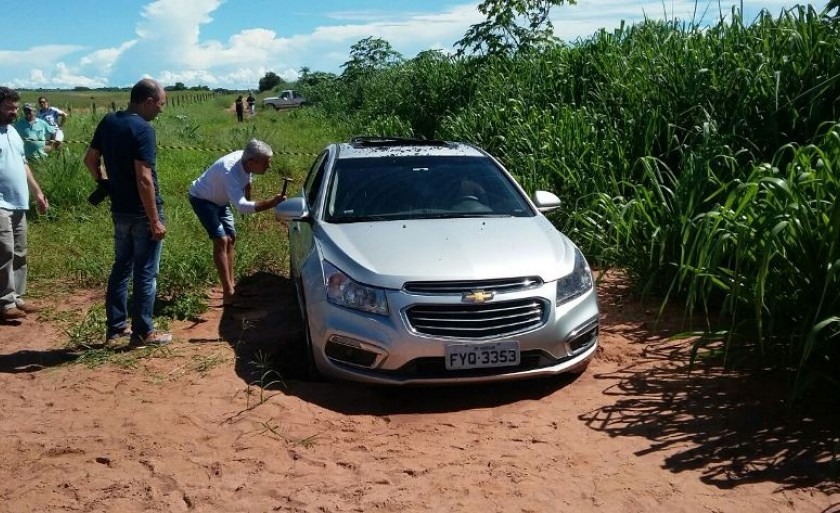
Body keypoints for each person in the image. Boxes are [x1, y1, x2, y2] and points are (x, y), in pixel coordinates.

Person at [83, 78, 172, 346]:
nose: (161, 110)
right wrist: (155, 219)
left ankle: (115, 330)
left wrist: (104, 183)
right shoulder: (143, 129)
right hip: (143, 213)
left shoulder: (109, 122)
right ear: (148, 101)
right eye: (160, 104)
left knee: (121, 267)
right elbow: (144, 178)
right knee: (146, 272)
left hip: (119, 210)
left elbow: (90, 159)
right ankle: (144, 332)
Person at [188, 139, 286, 306]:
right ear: (252, 161)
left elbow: (247, 182)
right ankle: (228, 294)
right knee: (221, 240)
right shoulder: (229, 170)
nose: (269, 167)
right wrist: (272, 203)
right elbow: (241, 206)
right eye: (266, 163)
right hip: (202, 198)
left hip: (220, 200)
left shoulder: (246, 160)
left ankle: (231, 287)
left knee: (231, 238)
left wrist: (249, 197)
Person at [0, 87, 49, 322]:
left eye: (15, 107)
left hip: (19, 202)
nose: (14, 112)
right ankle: (5, 302)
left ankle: (17, 296)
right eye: (9, 107)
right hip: (0, 203)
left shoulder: (13, 132)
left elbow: (23, 164)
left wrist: (37, 192)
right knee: (4, 251)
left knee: (20, 251)